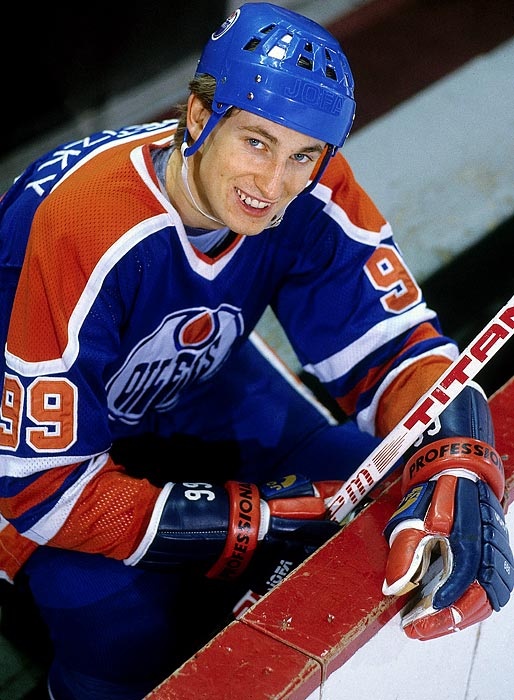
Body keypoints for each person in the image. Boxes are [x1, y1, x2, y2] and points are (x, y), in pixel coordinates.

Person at [0, 3, 512, 698]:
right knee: (123, 632)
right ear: (197, 117)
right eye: (257, 143)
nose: (273, 186)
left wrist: (456, 455)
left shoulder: (310, 190)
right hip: (34, 457)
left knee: (374, 488)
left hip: (192, 381)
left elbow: (395, 347)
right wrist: (253, 520)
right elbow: (41, 488)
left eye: (303, 154)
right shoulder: (73, 224)